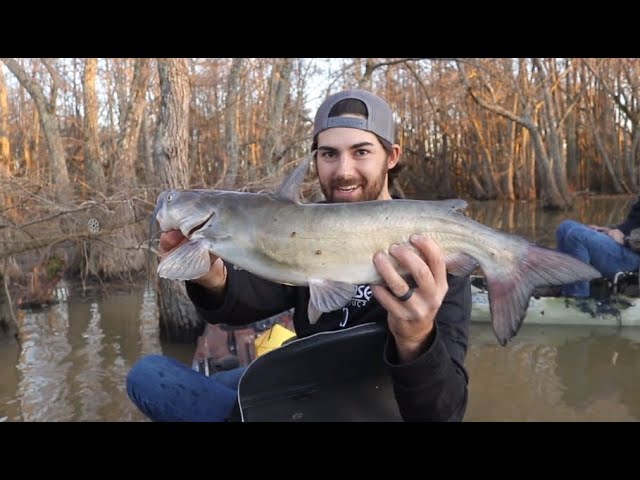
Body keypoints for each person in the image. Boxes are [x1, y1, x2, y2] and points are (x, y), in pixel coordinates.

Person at [126, 89, 472, 422]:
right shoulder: (300, 228)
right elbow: (244, 303)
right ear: (316, 159)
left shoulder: (435, 255)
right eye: (329, 154)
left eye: (361, 152)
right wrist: (212, 278)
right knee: (149, 375)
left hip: (374, 407)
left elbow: (443, 412)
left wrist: (415, 337)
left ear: (392, 156)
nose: (344, 171)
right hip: (304, 392)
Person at [555, 196, 640, 298]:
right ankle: (563, 288)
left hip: (633, 256)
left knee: (576, 236)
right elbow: (632, 224)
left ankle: (578, 298)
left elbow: (630, 235)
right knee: (565, 227)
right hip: (625, 246)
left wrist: (626, 239)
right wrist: (609, 230)